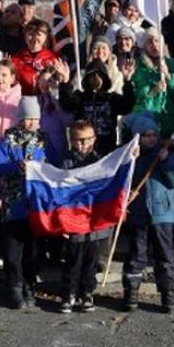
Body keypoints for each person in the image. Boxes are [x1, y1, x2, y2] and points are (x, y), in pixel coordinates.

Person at [0, 96, 58, 309]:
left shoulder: (44, 140)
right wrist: (16, 166)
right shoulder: (8, 139)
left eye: (34, 118)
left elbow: (54, 167)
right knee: (13, 251)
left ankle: (30, 285)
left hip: (37, 203)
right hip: (14, 202)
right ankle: (14, 286)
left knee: (34, 251)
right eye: (27, 118)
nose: (31, 122)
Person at [120, 113, 174, 314]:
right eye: (146, 135)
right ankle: (131, 292)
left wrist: (167, 161)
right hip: (138, 213)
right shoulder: (130, 156)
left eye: (154, 134)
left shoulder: (165, 154)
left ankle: (168, 294)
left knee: (165, 255)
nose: (151, 138)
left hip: (162, 213)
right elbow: (120, 180)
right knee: (136, 255)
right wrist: (126, 192)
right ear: (137, 137)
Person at [58, 120, 112, 314]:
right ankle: (68, 293)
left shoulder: (100, 160)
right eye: (78, 140)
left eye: (87, 140)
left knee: (91, 259)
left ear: (94, 139)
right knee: (73, 258)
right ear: (71, 141)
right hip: (74, 217)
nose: (82, 144)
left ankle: (87, 292)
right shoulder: (65, 161)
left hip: (94, 218)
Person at [57, 59, 136, 155]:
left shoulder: (111, 98)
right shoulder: (81, 97)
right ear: (86, 78)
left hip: (107, 148)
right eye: (92, 76)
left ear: (105, 78)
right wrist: (65, 82)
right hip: (83, 149)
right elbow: (66, 104)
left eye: (99, 75)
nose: (96, 78)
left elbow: (127, 106)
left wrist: (127, 81)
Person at [130, 29, 174, 139]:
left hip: (166, 126)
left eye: (157, 41)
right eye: (150, 41)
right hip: (144, 129)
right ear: (144, 45)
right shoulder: (136, 66)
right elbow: (132, 98)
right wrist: (152, 92)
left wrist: (169, 77)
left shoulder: (173, 65)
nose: (154, 45)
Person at [11, 18, 59, 95]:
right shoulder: (15, 60)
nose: (35, 38)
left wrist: (64, 77)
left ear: (45, 37)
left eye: (38, 35)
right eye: (31, 34)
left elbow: (60, 82)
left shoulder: (53, 58)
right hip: (23, 102)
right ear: (25, 36)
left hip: (48, 102)